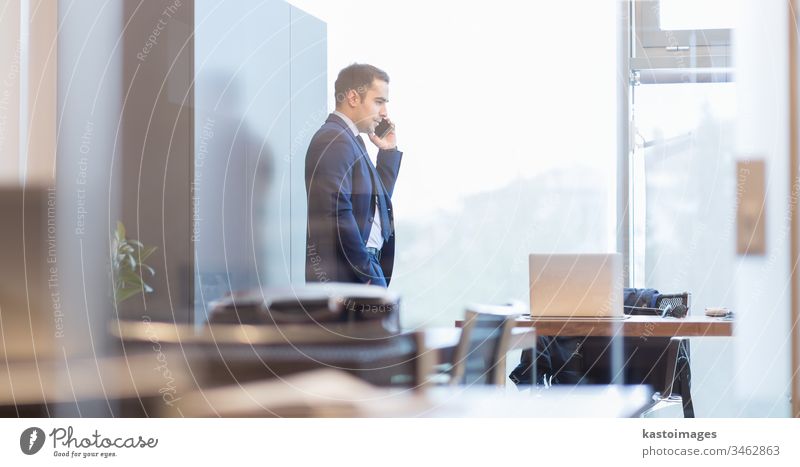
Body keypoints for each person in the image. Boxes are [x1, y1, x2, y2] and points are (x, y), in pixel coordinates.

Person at [305, 63, 402, 288]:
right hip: (351, 277)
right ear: (353, 98)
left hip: (360, 269)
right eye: (378, 102)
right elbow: (337, 213)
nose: (384, 112)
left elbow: (374, 205)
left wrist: (388, 152)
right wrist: (366, 274)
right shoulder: (334, 139)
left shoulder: (350, 140)